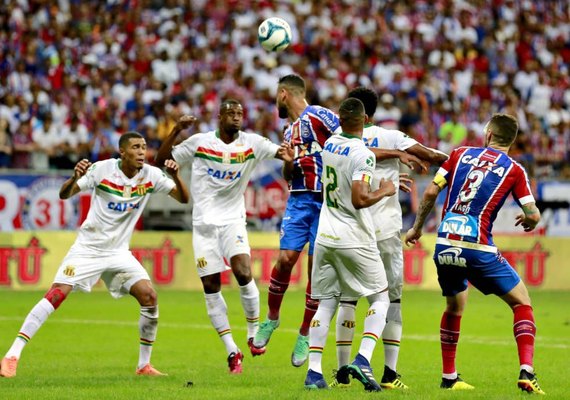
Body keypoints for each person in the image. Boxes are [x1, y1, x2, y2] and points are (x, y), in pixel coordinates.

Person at [0, 131, 189, 378]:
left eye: (144, 147)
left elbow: (184, 199)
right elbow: (64, 194)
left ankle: (144, 366)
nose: (142, 151)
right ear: (122, 152)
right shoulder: (102, 170)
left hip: (119, 252)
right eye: (135, 147)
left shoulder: (151, 176)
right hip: (88, 248)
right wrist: (74, 177)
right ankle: (12, 355)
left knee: (149, 296)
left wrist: (175, 176)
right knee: (57, 294)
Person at [404, 113, 545, 394]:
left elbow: (431, 193)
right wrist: (531, 221)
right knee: (522, 303)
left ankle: (449, 377)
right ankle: (527, 371)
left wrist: (417, 228)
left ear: (489, 135)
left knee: (454, 306)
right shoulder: (515, 169)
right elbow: (532, 213)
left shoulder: (458, 154)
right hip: (478, 246)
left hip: (445, 243)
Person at [155, 100, 293, 374]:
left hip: (232, 221)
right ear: (219, 117)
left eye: (240, 113)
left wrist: (289, 155)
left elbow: (285, 157)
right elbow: (160, 160)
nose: (236, 117)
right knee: (211, 285)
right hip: (204, 224)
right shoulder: (199, 142)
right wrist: (176, 130)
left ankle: (254, 334)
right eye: (231, 113)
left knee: (243, 272)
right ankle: (232, 350)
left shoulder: (252, 143)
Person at [330, 87, 449, 389]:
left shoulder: (337, 138)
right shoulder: (392, 137)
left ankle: (343, 373)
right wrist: (464, 160)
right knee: (391, 300)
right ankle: (389, 374)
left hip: (352, 228)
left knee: (348, 297)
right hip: (384, 231)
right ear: (372, 112)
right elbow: (432, 156)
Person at [304, 97, 396, 391]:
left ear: (340, 119)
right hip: (354, 237)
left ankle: (314, 373)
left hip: (325, 236)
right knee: (381, 299)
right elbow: (359, 199)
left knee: (327, 303)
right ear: (366, 120)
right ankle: (363, 359)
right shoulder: (363, 154)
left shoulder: (329, 143)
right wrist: (384, 190)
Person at [253, 74, 342, 368]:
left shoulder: (321, 115)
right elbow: (288, 176)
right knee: (286, 259)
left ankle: (304, 333)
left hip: (327, 202)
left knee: (316, 271)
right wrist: (289, 162)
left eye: (275, 98)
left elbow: (349, 142)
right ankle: (272, 319)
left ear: (283, 94)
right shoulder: (289, 130)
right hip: (300, 199)